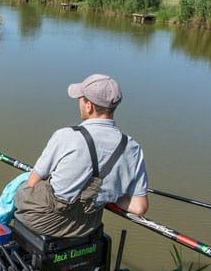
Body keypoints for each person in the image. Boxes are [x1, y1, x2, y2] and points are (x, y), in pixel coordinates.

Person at [13, 73, 148, 238]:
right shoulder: (132, 148)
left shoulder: (66, 136)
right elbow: (139, 207)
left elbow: (33, 181)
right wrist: (108, 194)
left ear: (89, 106)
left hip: (41, 221)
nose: (79, 104)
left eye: (81, 99)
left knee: (20, 188)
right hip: (85, 227)